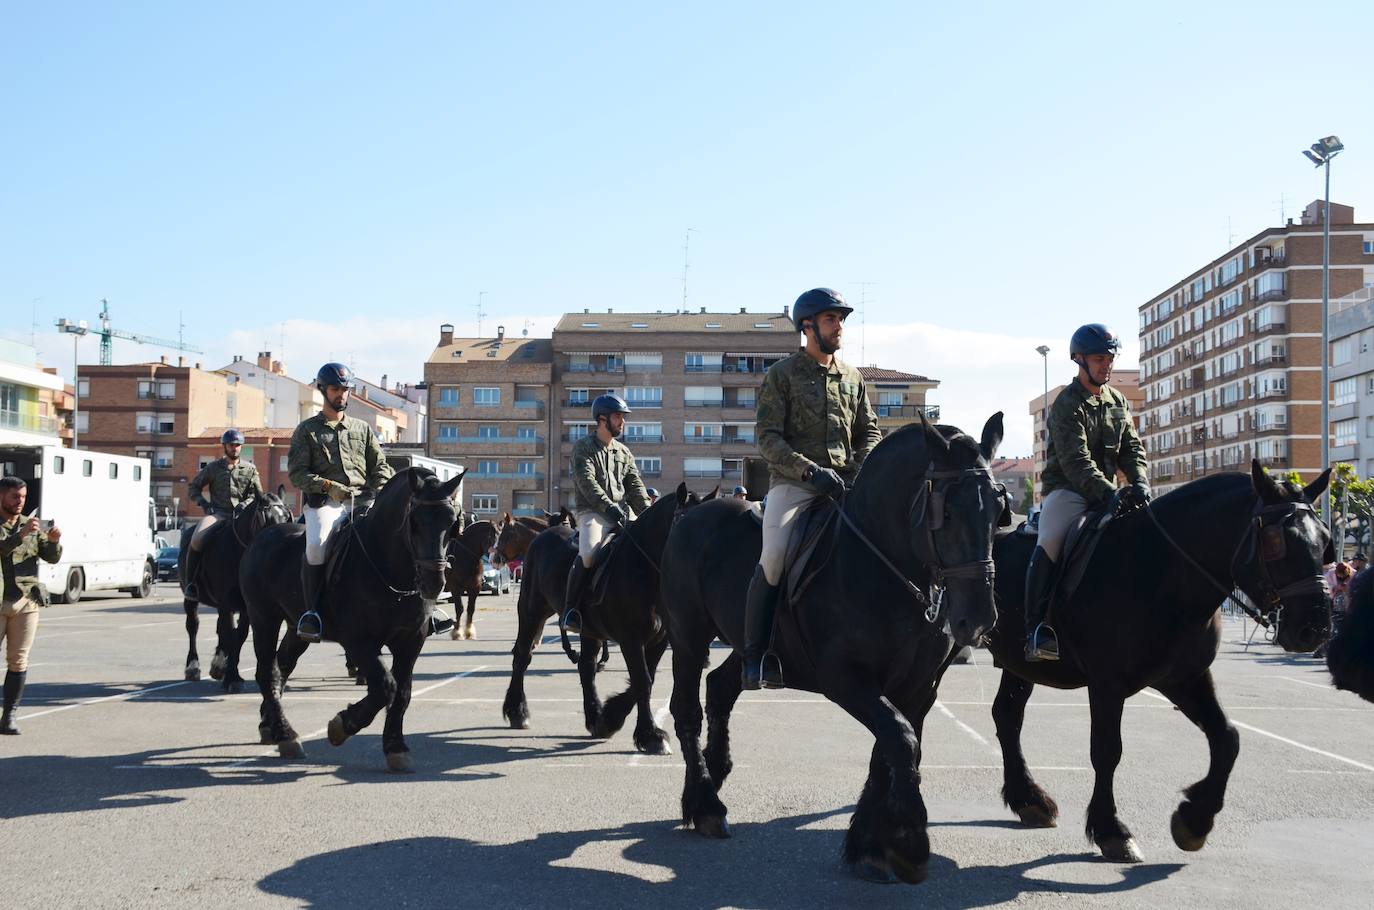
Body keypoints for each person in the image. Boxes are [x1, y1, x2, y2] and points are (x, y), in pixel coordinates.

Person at [745, 287, 881, 689]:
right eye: (830, 319)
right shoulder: (781, 375)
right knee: (773, 557)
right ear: (807, 326)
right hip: (796, 487)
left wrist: (859, 468)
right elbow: (768, 439)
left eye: (840, 320)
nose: (839, 327)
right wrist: (809, 473)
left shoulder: (853, 378)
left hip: (846, 486)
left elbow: (868, 431)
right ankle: (756, 654)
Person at [1025, 324, 1148, 662]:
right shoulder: (1066, 403)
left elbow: (1132, 449)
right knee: (1050, 539)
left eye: (1109, 358)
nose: (1106, 365)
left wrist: (1139, 483)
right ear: (1079, 359)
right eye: (1099, 359)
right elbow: (1075, 461)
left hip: (1110, 491)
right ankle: (1036, 628)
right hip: (1069, 491)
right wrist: (1109, 493)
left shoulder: (1117, 401)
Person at [287, 362, 401, 643]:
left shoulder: (362, 429)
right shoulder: (307, 431)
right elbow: (297, 474)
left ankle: (420, 607)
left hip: (364, 502)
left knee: (401, 535)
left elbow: (381, 467)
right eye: (336, 389)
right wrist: (330, 487)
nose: (341, 395)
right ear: (323, 390)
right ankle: (313, 612)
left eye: (345, 390)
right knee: (316, 546)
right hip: (326, 504)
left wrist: (381, 488)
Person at [563, 393, 651, 633]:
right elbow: (588, 485)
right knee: (590, 553)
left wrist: (649, 514)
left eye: (623, 417)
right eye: (618, 417)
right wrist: (611, 509)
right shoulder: (583, 448)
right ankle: (571, 609)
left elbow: (635, 487)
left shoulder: (624, 452)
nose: (623, 422)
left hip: (624, 511)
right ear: (602, 419)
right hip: (594, 512)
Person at [0, 476, 62, 735]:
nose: (19, 502)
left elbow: (50, 557)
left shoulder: (30, 525)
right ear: (2, 496)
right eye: (15, 496)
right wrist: (19, 536)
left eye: (23, 497)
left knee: (18, 660)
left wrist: (54, 540)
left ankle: (9, 716)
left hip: (26, 599)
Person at [182, 428, 264, 599]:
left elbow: (257, 495)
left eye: (237, 445)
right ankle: (191, 583)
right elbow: (194, 487)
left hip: (242, 517)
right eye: (231, 445)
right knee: (196, 539)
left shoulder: (250, 469)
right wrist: (204, 503)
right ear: (224, 446)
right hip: (219, 514)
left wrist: (245, 504)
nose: (234, 448)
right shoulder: (213, 468)